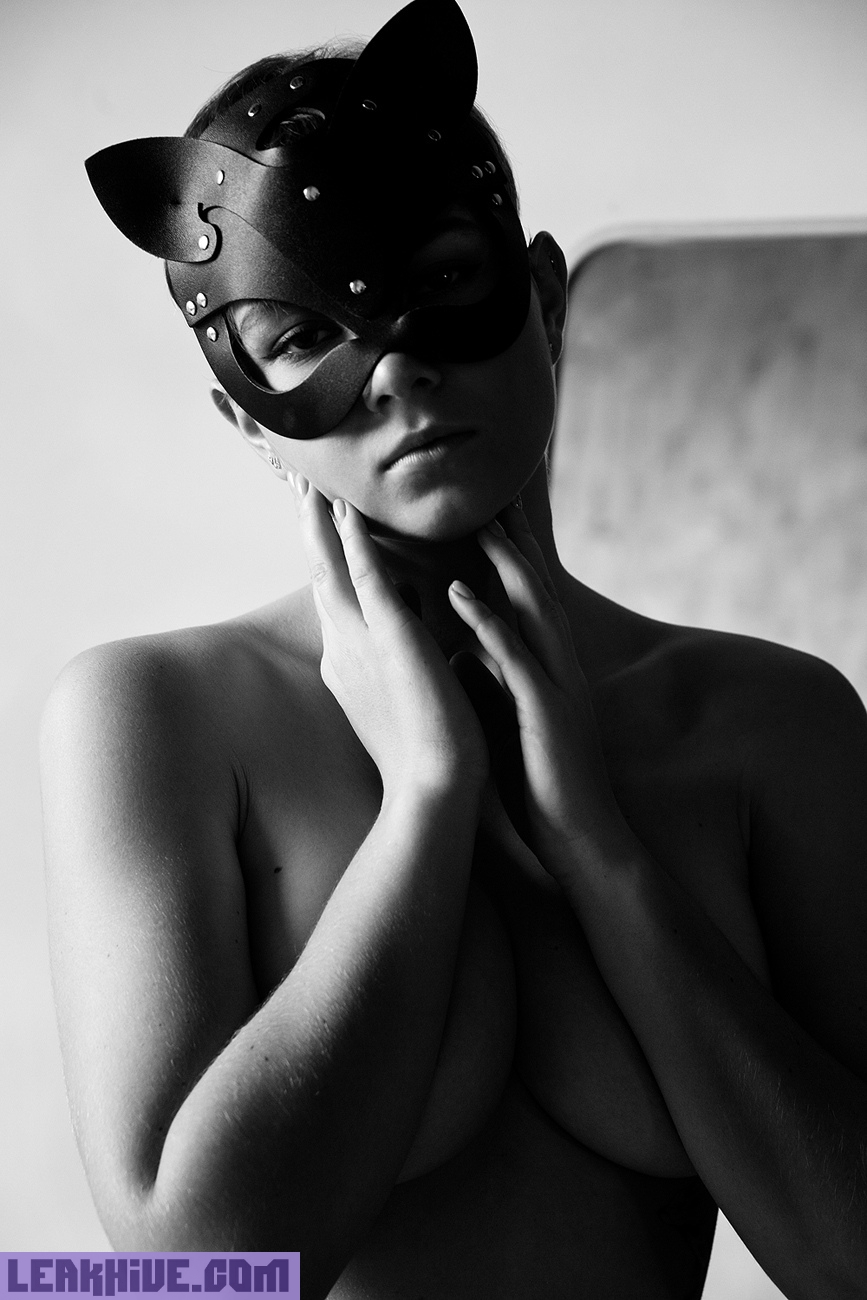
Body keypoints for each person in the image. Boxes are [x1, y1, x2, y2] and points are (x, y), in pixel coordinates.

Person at [41, 1, 867, 1296]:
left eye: (438, 284)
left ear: (543, 293)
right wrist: (427, 805)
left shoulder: (775, 723)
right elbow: (192, 1281)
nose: (394, 373)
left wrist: (597, 842)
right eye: (300, 335)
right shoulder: (154, 720)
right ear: (243, 417)